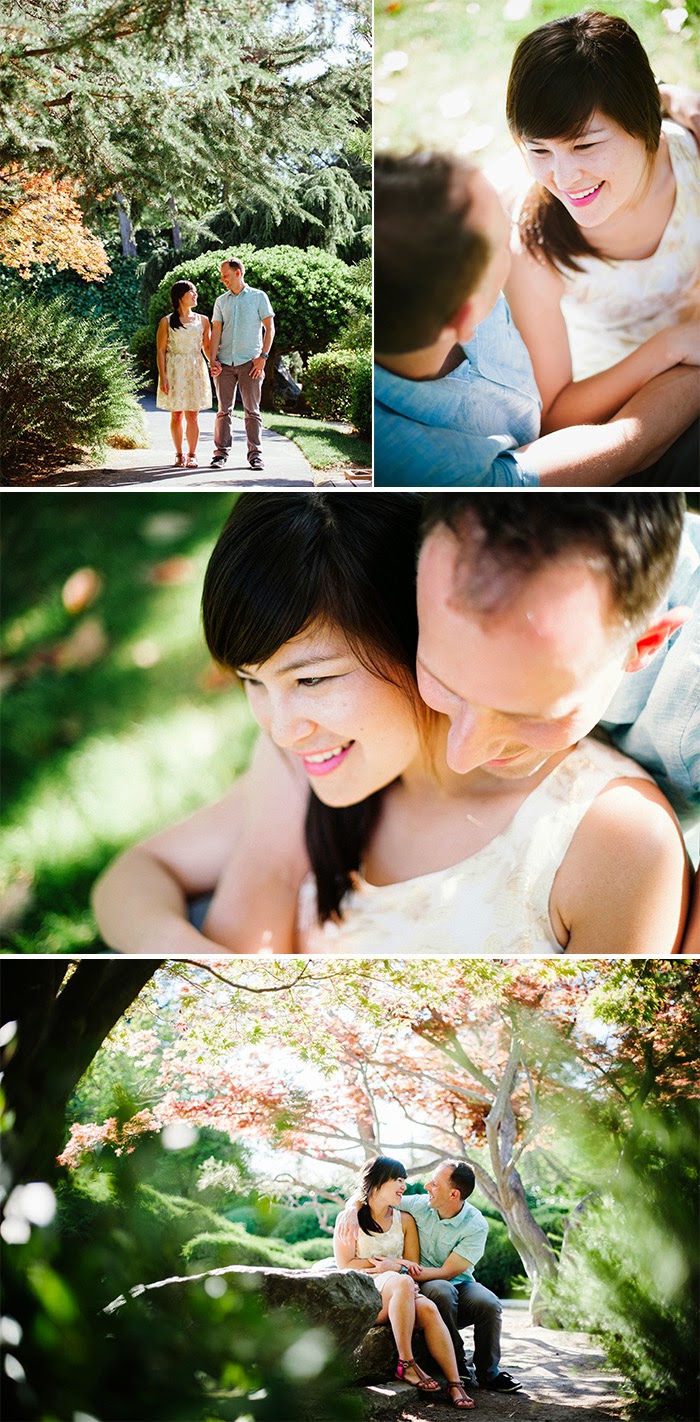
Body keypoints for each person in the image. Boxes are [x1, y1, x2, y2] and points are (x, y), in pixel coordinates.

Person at [92, 493, 692, 956]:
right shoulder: (313, 765)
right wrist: (190, 951)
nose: (279, 729)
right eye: (253, 681)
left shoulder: (612, 843)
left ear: (403, 628)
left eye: (311, 680)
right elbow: (135, 876)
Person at [373, 152, 699, 487]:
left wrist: (662, 104)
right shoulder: (412, 462)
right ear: (466, 317)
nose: (517, 233)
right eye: (504, 240)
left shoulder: (438, 267)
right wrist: (674, 352)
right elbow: (627, 447)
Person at [504, 11, 700, 450]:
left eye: (585, 145)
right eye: (538, 150)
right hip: (618, 395)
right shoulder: (533, 246)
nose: (563, 177)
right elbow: (552, 414)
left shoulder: (693, 156)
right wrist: (672, 346)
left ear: (644, 120)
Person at [336, 1161, 517, 1395]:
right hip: (418, 1281)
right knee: (441, 1291)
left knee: (489, 1303)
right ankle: (457, 1363)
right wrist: (351, 1208)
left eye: (435, 1183)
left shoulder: (475, 1224)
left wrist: (398, 1268)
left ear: (454, 1194)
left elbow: (448, 1272)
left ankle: (488, 1373)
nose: (426, 1185)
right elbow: (373, 1195)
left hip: (454, 1280)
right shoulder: (420, 1204)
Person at [209, 258, 274, 472]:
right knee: (223, 411)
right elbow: (216, 331)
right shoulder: (221, 301)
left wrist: (263, 357)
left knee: (252, 411)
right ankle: (220, 454)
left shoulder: (258, 297)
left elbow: (269, 328)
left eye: (225, 275)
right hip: (225, 363)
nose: (222, 279)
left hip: (251, 363)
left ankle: (255, 456)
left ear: (238, 273)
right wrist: (213, 359)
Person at [155, 281, 212, 468]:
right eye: (191, 292)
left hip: (195, 369)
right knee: (177, 415)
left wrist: (215, 363)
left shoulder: (203, 320)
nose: (196, 294)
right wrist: (163, 376)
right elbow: (161, 351)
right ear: (180, 296)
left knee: (193, 415)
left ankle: (193, 454)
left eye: (195, 291)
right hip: (174, 370)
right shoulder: (166, 321)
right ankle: (179, 454)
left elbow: (207, 348)